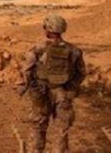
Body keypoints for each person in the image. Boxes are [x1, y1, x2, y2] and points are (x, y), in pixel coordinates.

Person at [21, 14, 86, 153]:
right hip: (63, 94)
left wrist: (28, 87)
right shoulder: (74, 50)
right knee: (61, 132)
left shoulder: (37, 49)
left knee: (38, 128)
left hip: (41, 93)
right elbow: (81, 73)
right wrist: (70, 88)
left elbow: (26, 71)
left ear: (48, 29)